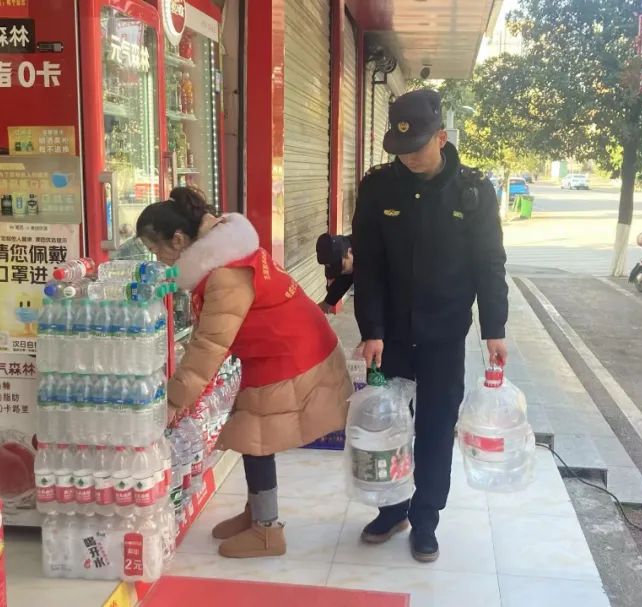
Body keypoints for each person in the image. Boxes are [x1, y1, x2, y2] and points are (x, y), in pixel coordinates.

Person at [137, 186, 352, 559]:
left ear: (178, 239)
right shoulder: (226, 254)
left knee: (256, 439)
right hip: (281, 352)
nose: (157, 258)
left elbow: (209, 346)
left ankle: (267, 531)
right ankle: (257, 513)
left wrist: (175, 400)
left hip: (292, 358)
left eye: (156, 249)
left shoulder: (226, 274)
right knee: (251, 435)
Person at [351, 89, 508, 563]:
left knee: (436, 427)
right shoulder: (379, 188)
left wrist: (494, 328)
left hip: (444, 332)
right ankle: (392, 508)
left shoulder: (473, 192)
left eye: (416, 147)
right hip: (391, 333)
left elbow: (489, 263)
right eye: (399, 148)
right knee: (388, 424)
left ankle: (425, 519)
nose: (408, 157)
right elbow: (368, 265)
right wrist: (371, 328)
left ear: (441, 137)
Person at [315, 233, 353, 313]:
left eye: (343, 267)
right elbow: (342, 280)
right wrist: (327, 303)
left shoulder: (373, 255)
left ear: (350, 252)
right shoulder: (345, 260)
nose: (342, 272)